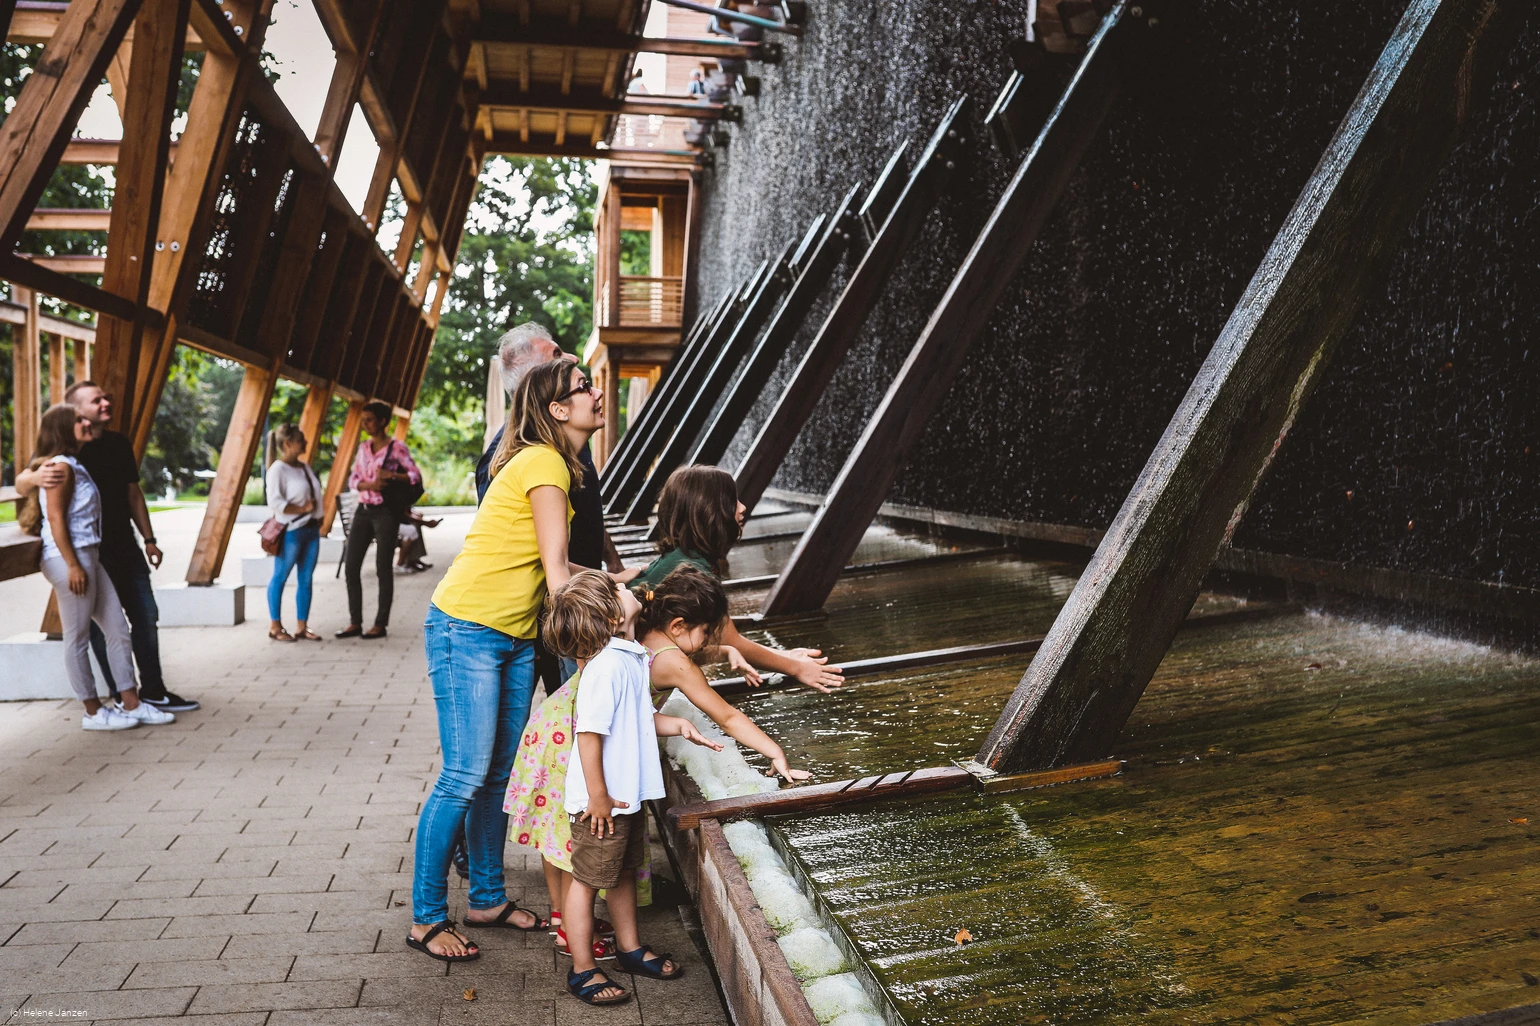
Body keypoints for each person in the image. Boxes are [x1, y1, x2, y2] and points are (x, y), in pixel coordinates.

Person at [407, 359, 611, 963]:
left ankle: (488, 899)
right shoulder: (545, 462)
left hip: (515, 636)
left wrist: (618, 580)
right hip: (467, 627)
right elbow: (557, 576)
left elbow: (560, 567)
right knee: (464, 775)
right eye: (584, 388)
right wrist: (603, 647)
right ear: (557, 409)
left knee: (497, 775)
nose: (596, 393)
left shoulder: (559, 465)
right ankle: (425, 919)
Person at [507, 564, 809, 956]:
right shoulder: (652, 659)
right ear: (680, 625)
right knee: (582, 853)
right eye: (707, 635)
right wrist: (775, 751)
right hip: (581, 745)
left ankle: (565, 920)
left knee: (563, 842)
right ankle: (575, 944)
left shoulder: (635, 641)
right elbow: (728, 716)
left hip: (553, 730)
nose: (704, 646)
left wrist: (722, 654)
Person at [547, 570, 722, 1005]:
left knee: (623, 873)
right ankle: (583, 969)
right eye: (616, 590)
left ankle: (628, 948)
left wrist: (676, 724)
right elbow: (587, 735)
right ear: (609, 616)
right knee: (586, 881)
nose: (627, 586)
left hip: (624, 797)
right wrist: (598, 796)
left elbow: (636, 717)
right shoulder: (604, 668)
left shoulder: (626, 655)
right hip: (602, 801)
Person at [16, 381, 199, 712]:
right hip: (83, 552)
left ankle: (149, 693)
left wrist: (150, 539)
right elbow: (27, 482)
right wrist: (33, 479)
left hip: (119, 546)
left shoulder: (115, 444)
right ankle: (111, 699)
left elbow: (133, 493)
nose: (105, 403)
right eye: (95, 400)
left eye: (105, 398)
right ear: (75, 410)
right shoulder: (64, 454)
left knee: (142, 616)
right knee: (93, 631)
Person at [476, 323, 631, 688]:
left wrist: (612, 563)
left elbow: (586, 511)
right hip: (558, 609)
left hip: (582, 593)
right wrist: (581, 637)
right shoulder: (513, 459)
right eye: (557, 355)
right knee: (573, 706)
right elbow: (527, 553)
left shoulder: (568, 440)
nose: (574, 357)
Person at [632, 464, 846, 693]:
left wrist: (785, 655)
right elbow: (730, 641)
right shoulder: (694, 571)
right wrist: (796, 668)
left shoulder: (683, 558)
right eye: (732, 501)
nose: (743, 508)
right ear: (707, 510)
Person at [338, 401, 421, 640]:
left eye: (370, 420)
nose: (365, 424)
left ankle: (379, 624)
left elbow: (415, 476)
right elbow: (353, 479)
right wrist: (369, 484)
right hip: (363, 510)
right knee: (351, 566)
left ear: (383, 421)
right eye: (364, 420)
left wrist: (392, 475)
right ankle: (355, 622)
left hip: (385, 511)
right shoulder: (364, 448)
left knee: (383, 568)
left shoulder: (397, 448)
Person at [263, 424, 324, 642]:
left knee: (306, 579)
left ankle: (302, 626)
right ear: (288, 444)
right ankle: (275, 626)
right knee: (280, 576)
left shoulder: (304, 467)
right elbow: (275, 502)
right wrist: (303, 509)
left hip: (311, 530)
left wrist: (318, 515)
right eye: (301, 439)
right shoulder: (277, 470)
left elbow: (316, 494)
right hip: (291, 531)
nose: (305, 442)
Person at [395, 509, 441, 574]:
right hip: (388, 520)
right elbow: (403, 513)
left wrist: (417, 516)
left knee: (415, 526)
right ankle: (400, 564)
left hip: (396, 519)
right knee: (411, 531)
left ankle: (414, 559)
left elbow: (406, 510)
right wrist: (425, 523)